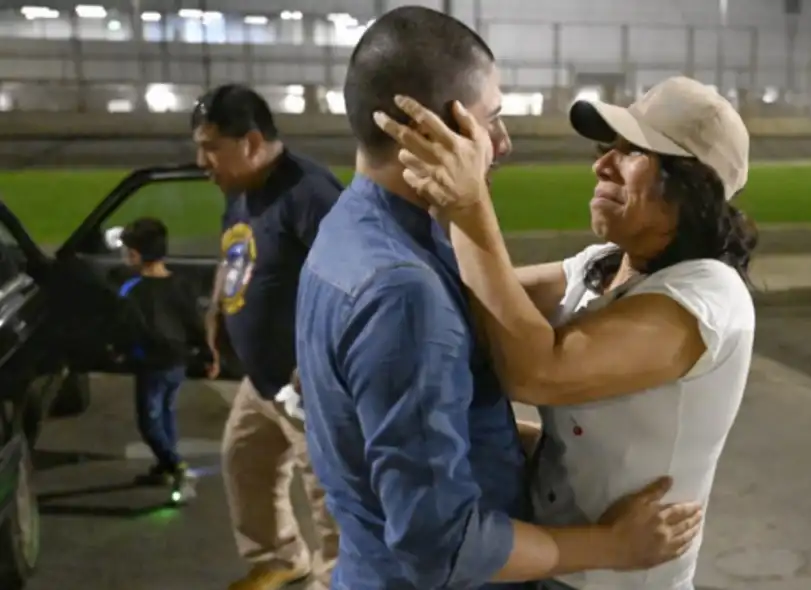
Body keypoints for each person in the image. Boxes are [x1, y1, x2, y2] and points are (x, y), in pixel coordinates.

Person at [295, 7, 703, 590]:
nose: (504, 143)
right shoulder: (403, 291)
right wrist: (610, 546)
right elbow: (443, 546)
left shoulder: (352, 226)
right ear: (433, 130)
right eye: (493, 120)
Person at [375, 75, 756, 590]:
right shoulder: (604, 264)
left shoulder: (707, 298)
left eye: (632, 152)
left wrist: (469, 209)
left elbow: (537, 372)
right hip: (555, 564)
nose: (601, 164)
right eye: (609, 148)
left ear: (692, 187)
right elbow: (481, 304)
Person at [193, 84, 343, 590]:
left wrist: (317, 361)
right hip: (261, 381)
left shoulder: (309, 193)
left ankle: (338, 579)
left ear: (252, 141)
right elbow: (236, 253)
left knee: (331, 493)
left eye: (211, 146)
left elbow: (352, 281)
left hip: (308, 384)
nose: (201, 161)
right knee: (244, 462)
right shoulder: (240, 193)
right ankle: (279, 556)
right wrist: (218, 310)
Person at [115, 217, 204, 488]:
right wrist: (206, 353)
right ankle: (165, 464)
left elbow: (128, 328)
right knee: (166, 412)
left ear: (135, 254)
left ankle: (173, 463)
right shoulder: (182, 284)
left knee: (149, 420)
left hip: (151, 365)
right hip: (177, 362)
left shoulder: (132, 290)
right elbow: (194, 322)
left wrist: (119, 352)